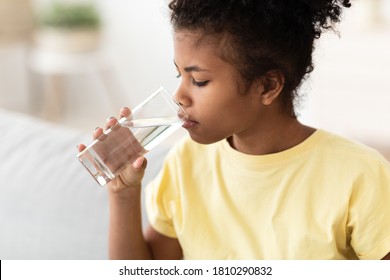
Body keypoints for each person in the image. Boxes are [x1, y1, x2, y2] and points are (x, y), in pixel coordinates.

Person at [78, 0, 390, 260]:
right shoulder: (185, 163)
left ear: (267, 86)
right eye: (179, 76)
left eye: (198, 81)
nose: (179, 97)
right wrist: (123, 194)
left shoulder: (359, 175)